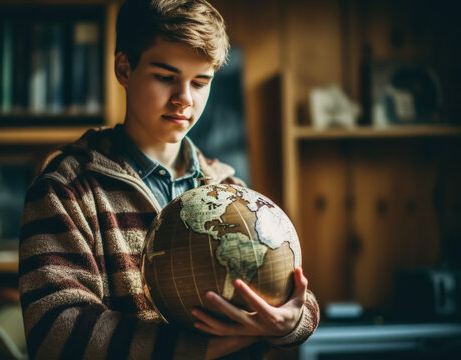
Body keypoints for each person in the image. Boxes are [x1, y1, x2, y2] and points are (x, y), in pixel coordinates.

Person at [18, 0, 320, 359]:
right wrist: (202, 348)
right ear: (124, 69)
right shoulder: (65, 190)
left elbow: (292, 294)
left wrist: (293, 322)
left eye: (201, 82)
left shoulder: (229, 190)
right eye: (165, 77)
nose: (184, 100)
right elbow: (57, 333)